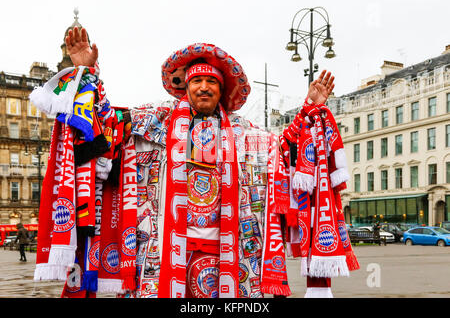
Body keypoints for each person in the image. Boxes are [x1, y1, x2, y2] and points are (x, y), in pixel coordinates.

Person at [34, 26, 354, 298]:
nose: (203, 87)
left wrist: (309, 111)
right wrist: (87, 72)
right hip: (162, 257)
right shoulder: (156, 121)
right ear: (185, 87)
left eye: (211, 82)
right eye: (197, 81)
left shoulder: (246, 135)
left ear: (221, 89)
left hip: (229, 257)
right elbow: (105, 123)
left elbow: (284, 153)